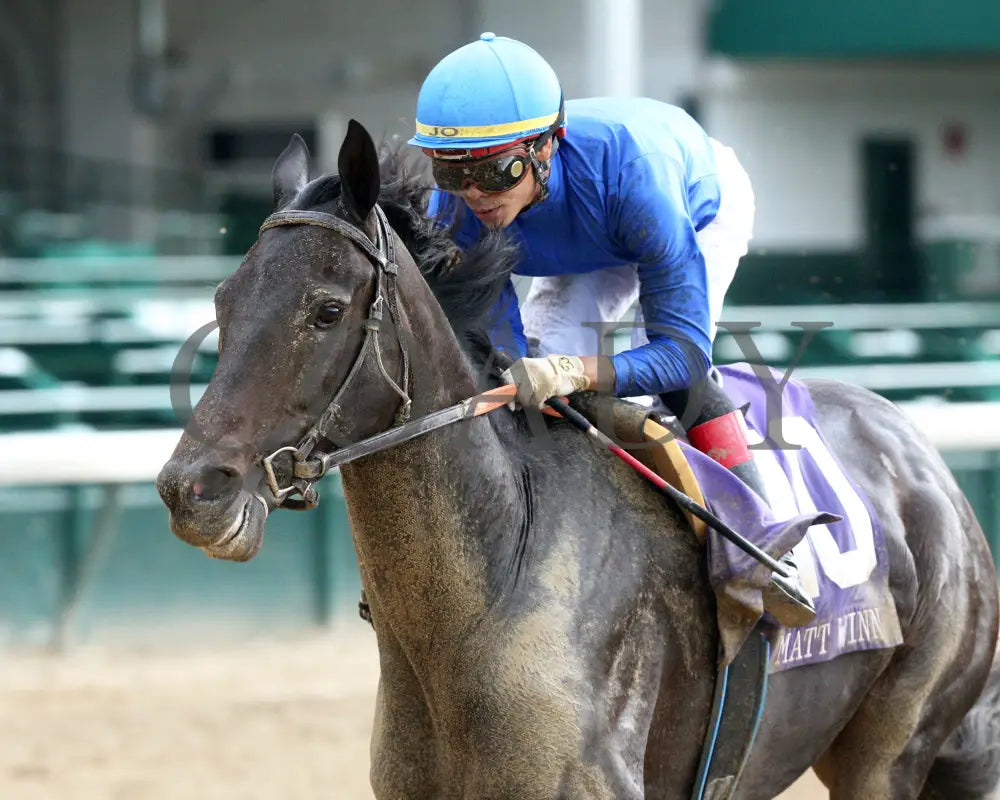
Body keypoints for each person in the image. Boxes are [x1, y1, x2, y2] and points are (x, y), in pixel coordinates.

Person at [408, 32, 814, 627]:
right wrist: (531, 368)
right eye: (451, 172)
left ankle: (765, 548)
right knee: (523, 394)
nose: (473, 195)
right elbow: (501, 353)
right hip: (588, 229)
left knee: (670, 386)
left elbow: (682, 355)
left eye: (495, 170)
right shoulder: (458, 213)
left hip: (691, 206)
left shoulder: (638, 182)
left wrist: (576, 371)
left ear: (546, 148)